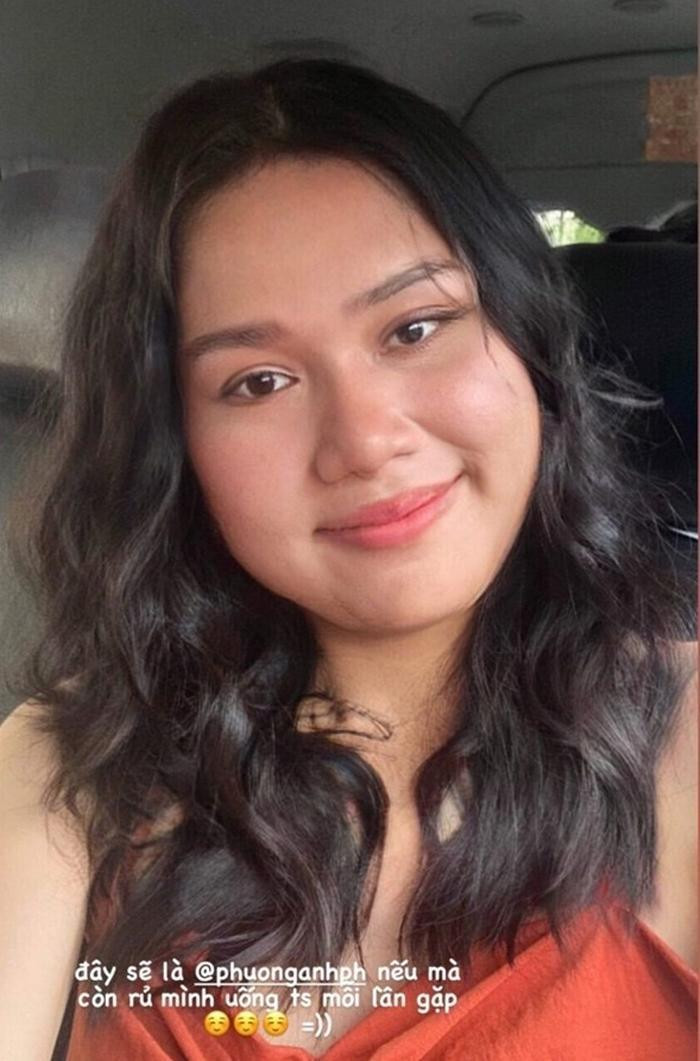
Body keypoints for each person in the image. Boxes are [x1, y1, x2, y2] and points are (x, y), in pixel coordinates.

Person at [0, 59, 696, 1061]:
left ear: (527, 341)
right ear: (173, 444)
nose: (364, 440)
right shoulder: (70, 764)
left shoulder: (681, 739)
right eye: (259, 380)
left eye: (414, 328)